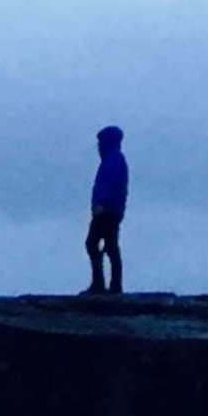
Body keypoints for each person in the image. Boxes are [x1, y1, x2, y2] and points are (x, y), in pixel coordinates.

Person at [84, 124, 127, 295]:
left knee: (96, 243)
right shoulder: (115, 160)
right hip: (112, 210)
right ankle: (111, 285)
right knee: (109, 245)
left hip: (106, 210)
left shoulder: (112, 161)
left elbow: (107, 187)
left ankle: (101, 284)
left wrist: (100, 204)